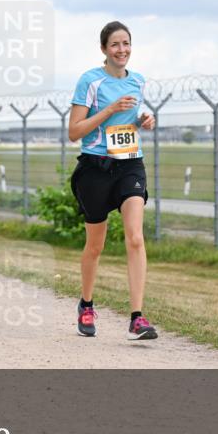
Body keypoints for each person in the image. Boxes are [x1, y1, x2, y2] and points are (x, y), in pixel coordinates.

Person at [68, 21, 158, 340]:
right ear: (104, 49)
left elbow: (129, 121)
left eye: (126, 43)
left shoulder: (138, 81)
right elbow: (74, 131)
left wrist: (144, 120)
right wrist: (109, 109)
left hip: (130, 164)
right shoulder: (90, 81)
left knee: (135, 237)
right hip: (95, 167)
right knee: (96, 245)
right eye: (115, 44)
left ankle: (137, 318)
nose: (122, 50)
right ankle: (86, 304)